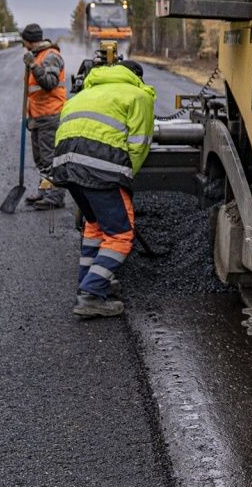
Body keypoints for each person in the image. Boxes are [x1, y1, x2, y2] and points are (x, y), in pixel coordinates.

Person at [51, 60, 155, 318]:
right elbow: (139, 144)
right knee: (121, 235)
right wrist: (124, 177)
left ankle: (88, 282)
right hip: (100, 169)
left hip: (65, 165)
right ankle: (91, 293)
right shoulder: (139, 94)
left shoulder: (84, 93)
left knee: (94, 225)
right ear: (137, 78)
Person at [20, 24, 68, 210]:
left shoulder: (50, 56)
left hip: (50, 114)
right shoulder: (38, 55)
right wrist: (28, 116)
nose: (23, 43)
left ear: (29, 40)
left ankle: (55, 197)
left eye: (24, 40)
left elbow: (49, 83)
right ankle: (45, 191)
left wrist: (33, 65)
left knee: (50, 159)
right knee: (41, 159)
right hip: (37, 116)